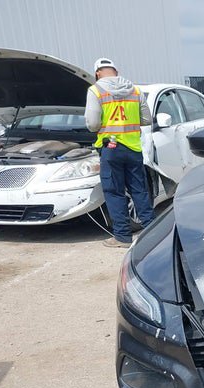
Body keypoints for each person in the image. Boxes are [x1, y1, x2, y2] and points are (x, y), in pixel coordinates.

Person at [85, 57, 154, 247]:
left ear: (97, 73)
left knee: (114, 192)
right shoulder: (135, 90)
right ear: (116, 71)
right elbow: (147, 119)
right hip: (133, 148)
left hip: (111, 148)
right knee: (139, 190)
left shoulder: (95, 90)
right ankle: (152, 233)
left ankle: (122, 237)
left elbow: (92, 124)